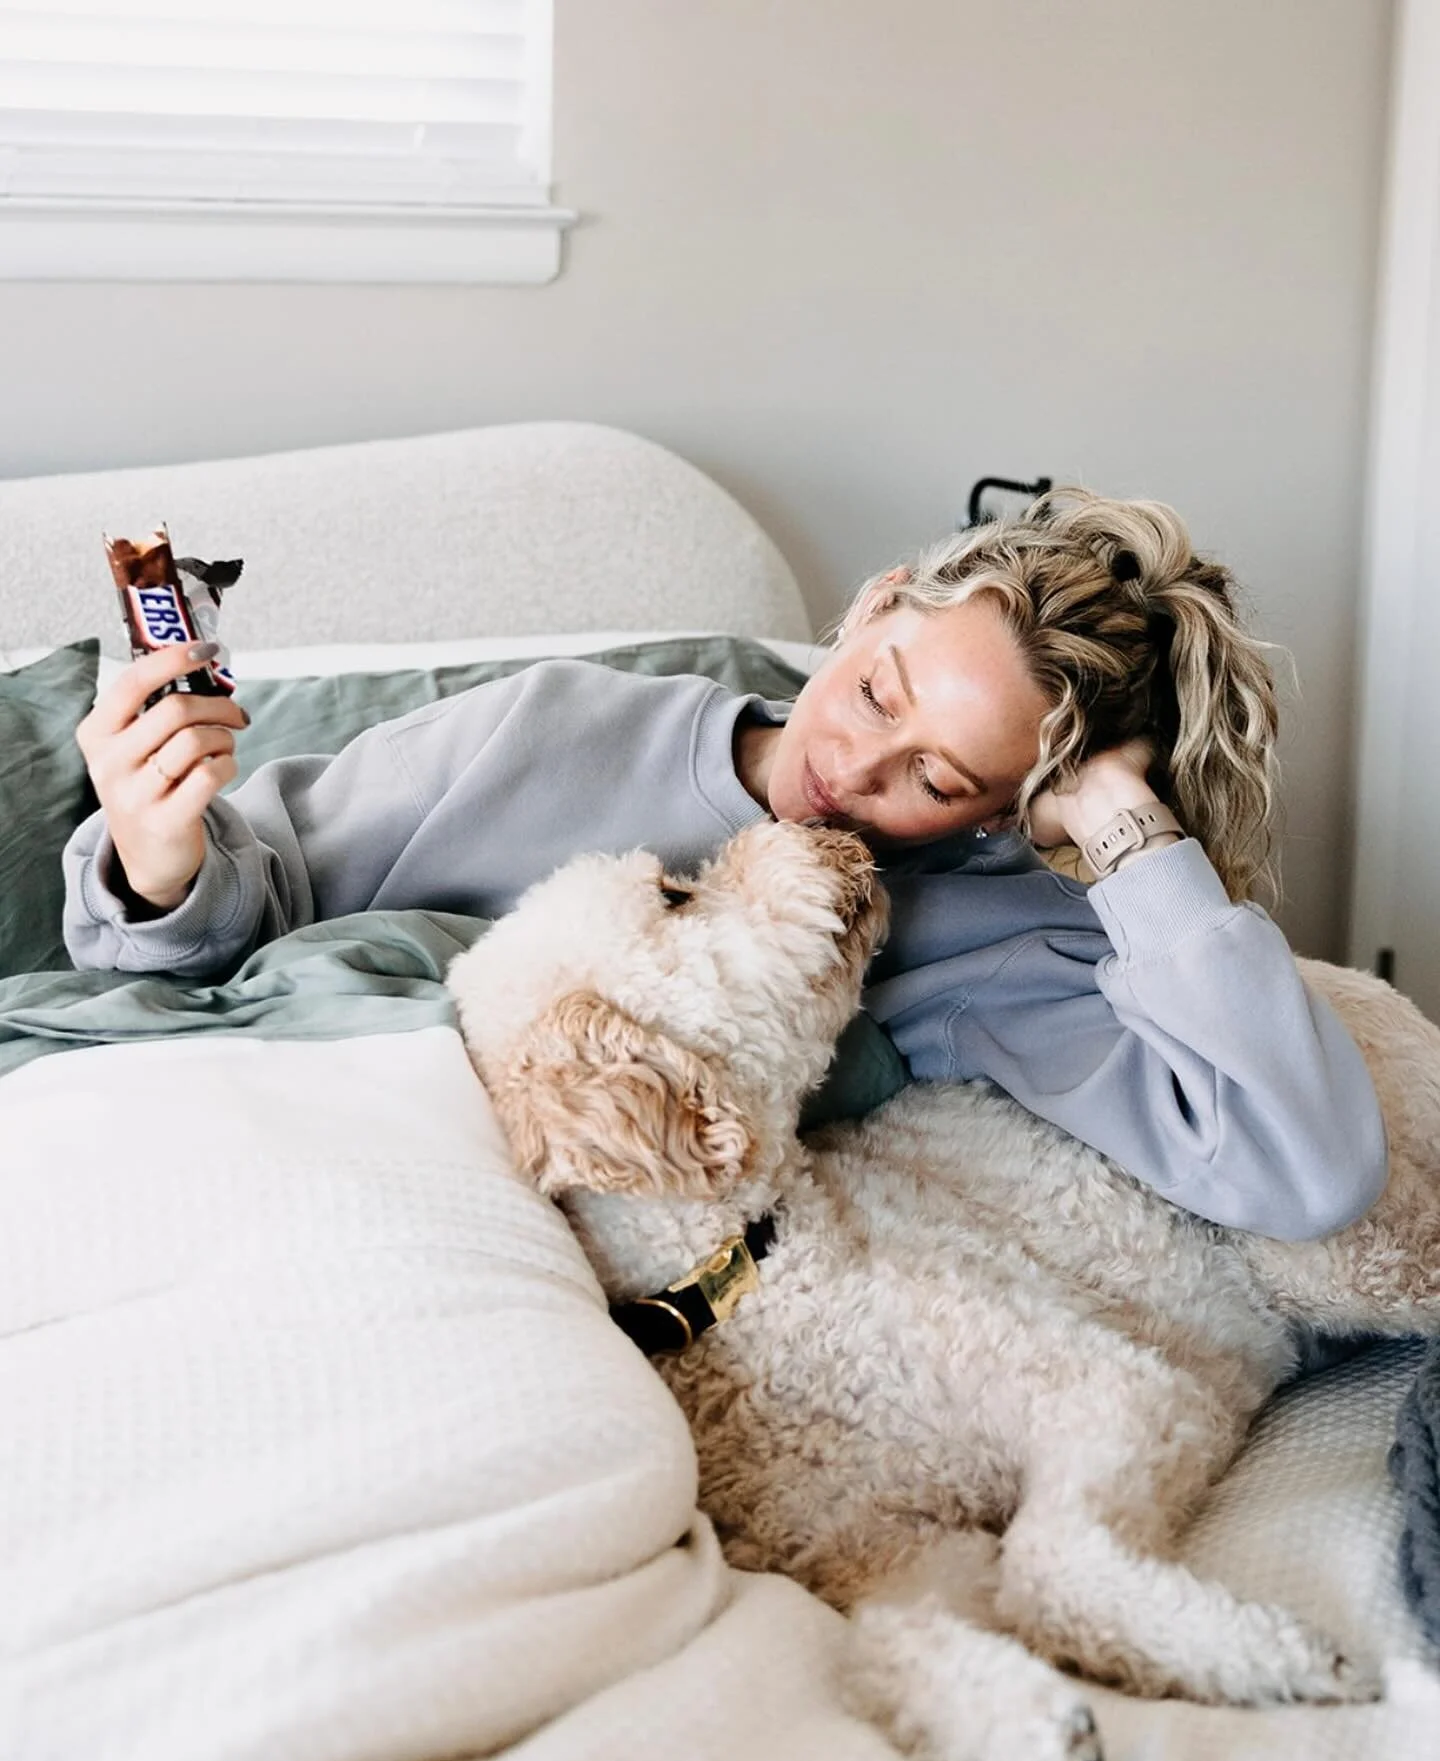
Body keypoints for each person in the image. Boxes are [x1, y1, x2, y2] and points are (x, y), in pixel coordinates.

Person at [63, 487, 1386, 1241]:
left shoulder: (981, 937)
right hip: (305, 1184)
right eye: (875, 692)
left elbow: (1303, 1172)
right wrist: (161, 857)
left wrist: (1128, 832)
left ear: (1009, 814)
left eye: (939, 777)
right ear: (871, 608)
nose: (855, 771)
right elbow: (218, 941)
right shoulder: (558, 728)